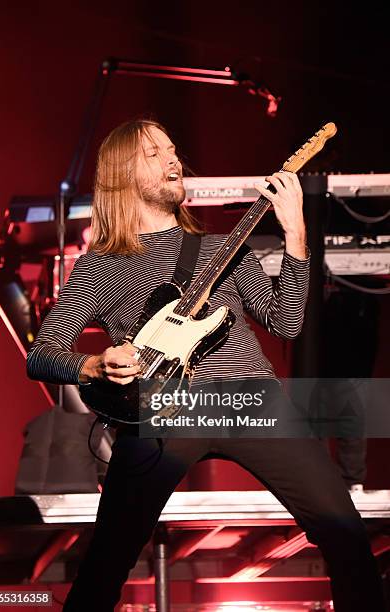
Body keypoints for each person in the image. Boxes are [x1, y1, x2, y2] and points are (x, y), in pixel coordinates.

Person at [27, 119, 385, 611]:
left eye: (172, 149)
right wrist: (94, 364)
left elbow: (286, 322)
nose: (172, 159)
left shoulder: (223, 248)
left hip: (250, 400)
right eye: (154, 154)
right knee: (105, 564)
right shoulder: (101, 266)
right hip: (162, 411)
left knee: (346, 537)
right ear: (120, 174)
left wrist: (296, 234)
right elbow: (42, 353)